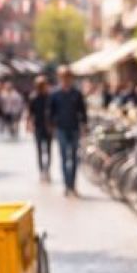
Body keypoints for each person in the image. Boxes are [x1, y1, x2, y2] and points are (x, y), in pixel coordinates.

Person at [48, 66, 87, 196]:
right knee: (64, 158)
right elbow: (50, 111)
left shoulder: (76, 93)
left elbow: (82, 111)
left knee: (75, 158)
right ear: (60, 78)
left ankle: (73, 185)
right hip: (61, 129)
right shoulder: (55, 93)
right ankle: (66, 185)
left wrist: (84, 125)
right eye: (63, 77)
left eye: (68, 77)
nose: (66, 80)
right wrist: (52, 126)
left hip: (74, 128)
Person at [29, 75, 52, 182]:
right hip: (38, 127)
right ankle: (41, 171)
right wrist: (29, 124)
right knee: (39, 150)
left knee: (48, 150)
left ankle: (47, 170)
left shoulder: (50, 97)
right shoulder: (33, 97)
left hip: (48, 127)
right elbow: (30, 112)